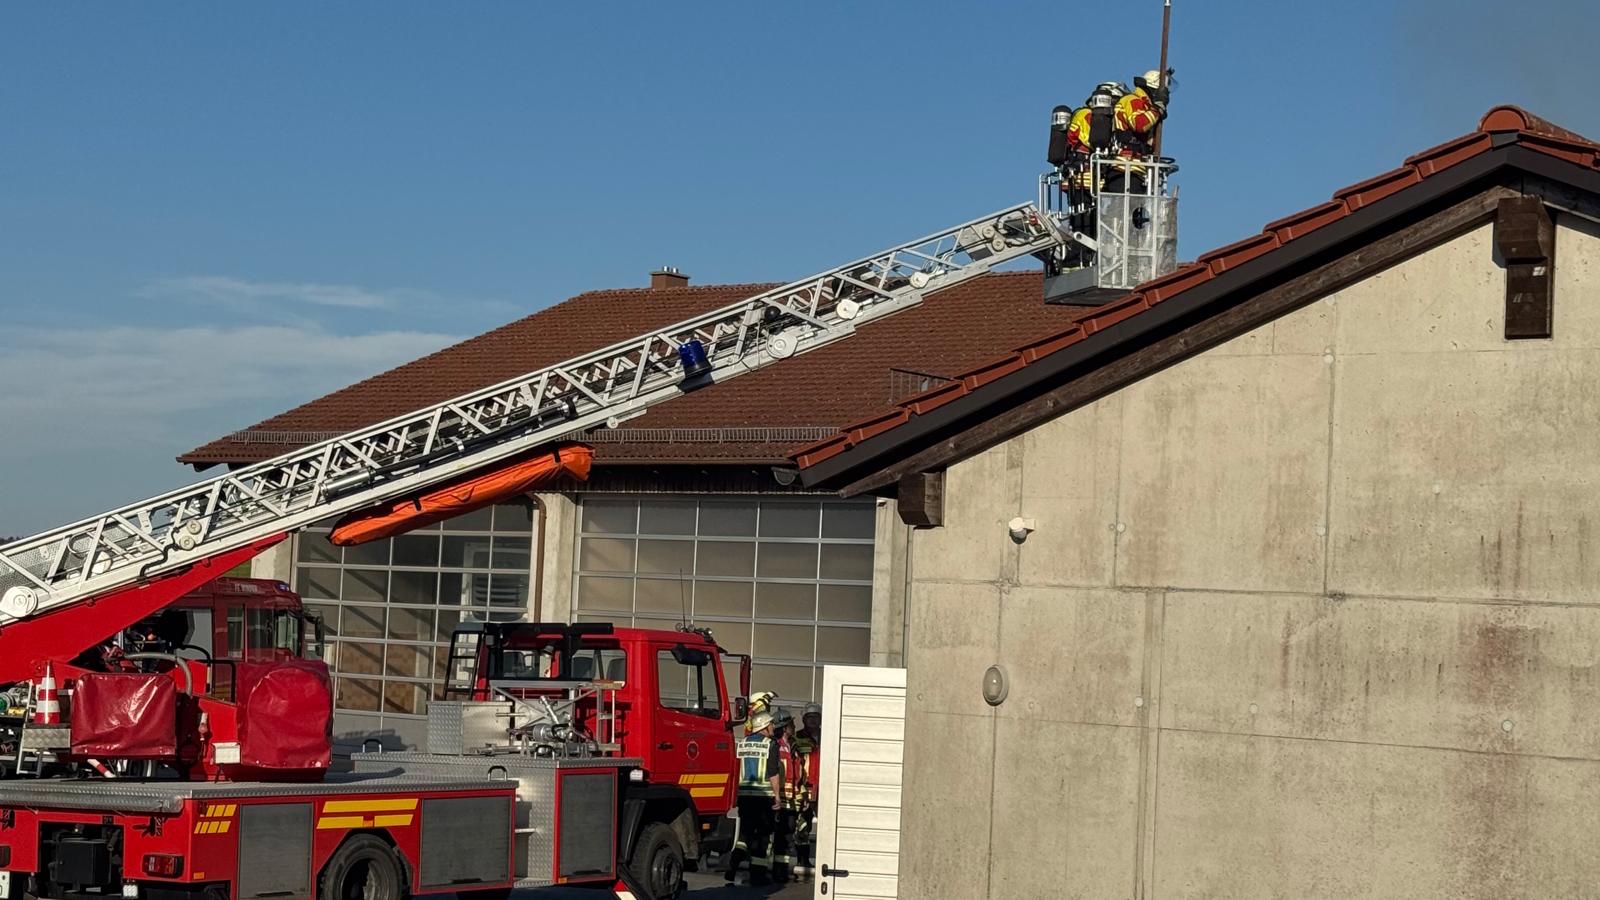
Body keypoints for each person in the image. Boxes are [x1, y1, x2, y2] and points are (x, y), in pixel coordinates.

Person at [726, 710, 785, 886]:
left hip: (744, 796)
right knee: (763, 836)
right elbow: (773, 772)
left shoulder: (742, 743)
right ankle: (758, 875)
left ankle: (733, 865)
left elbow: (735, 770)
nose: (774, 726)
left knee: (745, 834)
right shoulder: (770, 744)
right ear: (765, 727)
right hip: (763, 796)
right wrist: (777, 797)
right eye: (771, 724)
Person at [791, 702, 823, 877]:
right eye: (809, 717)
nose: (813, 720)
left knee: (827, 825)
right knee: (802, 825)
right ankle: (803, 860)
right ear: (804, 719)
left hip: (823, 788)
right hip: (804, 788)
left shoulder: (827, 736)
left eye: (816, 717)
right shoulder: (797, 738)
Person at [770, 708, 799, 882]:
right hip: (778, 800)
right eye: (791, 724)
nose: (794, 726)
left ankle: (781, 870)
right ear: (785, 726)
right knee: (778, 836)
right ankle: (773, 871)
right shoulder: (776, 746)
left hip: (791, 799)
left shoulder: (792, 745)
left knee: (787, 836)